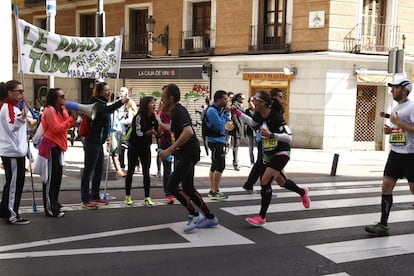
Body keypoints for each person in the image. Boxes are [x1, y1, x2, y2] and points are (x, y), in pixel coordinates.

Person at [232, 90, 311, 227]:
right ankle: (302, 191)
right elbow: (252, 122)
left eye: (255, 99)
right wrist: (237, 113)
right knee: (282, 183)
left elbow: (289, 136)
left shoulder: (276, 117)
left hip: (281, 152)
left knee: (265, 181)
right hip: (268, 153)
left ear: (262, 102)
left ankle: (261, 217)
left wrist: (272, 135)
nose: (252, 101)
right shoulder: (258, 114)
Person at [159, 83, 218, 233]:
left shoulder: (179, 111)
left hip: (188, 154)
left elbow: (188, 132)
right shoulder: (175, 111)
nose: (161, 100)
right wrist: (160, 125)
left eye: (163, 97)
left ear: (171, 98)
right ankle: (210, 217)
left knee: (172, 186)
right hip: (186, 153)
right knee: (188, 188)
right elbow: (176, 129)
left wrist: (168, 150)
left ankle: (195, 214)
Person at [365, 78, 414, 236]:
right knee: (386, 187)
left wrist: (398, 124)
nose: (392, 90)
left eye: (395, 88)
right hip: (395, 154)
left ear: (404, 90)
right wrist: (390, 131)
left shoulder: (412, 106)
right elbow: (401, 130)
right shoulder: (397, 107)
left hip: (411, 155)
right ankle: (383, 225)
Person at [80, 81, 128, 209]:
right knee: (89, 171)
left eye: (109, 90)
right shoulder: (96, 104)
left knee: (99, 170)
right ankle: (85, 199)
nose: (109, 92)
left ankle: (95, 196)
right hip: (92, 142)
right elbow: (107, 110)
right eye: (106, 90)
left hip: (98, 142)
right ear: (100, 92)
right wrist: (121, 101)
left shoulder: (101, 103)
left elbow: (108, 110)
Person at [39, 88, 77, 217]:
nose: (64, 98)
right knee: (50, 178)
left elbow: (68, 125)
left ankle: (55, 203)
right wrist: (71, 119)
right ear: (55, 98)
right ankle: (50, 208)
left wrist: (72, 117)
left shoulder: (62, 110)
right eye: (62, 96)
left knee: (57, 177)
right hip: (50, 145)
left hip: (59, 146)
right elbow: (56, 128)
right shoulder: (49, 110)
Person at [0, 80, 30, 224]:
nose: (22, 94)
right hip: (12, 152)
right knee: (15, 184)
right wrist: (23, 117)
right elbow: (13, 125)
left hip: (14, 151)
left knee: (12, 183)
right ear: (10, 93)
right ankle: (13, 215)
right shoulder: (9, 107)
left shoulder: (12, 107)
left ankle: (5, 210)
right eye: (19, 91)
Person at [124, 96, 158, 207]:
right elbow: (139, 133)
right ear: (145, 105)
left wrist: (158, 133)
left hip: (145, 147)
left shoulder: (154, 117)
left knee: (146, 172)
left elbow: (157, 130)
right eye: (152, 103)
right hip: (134, 147)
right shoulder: (138, 117)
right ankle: (128, 196)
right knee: (131, 171)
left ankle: (147, 197)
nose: (154, 105)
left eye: (154, 103)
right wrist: (149, 132)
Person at [206, 90, 230, 200]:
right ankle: (215, 191)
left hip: (218, 140)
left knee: (215, 165)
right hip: (215, 141)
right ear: (218, 100)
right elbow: (220, 126)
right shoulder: (212, 111)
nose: (227, 101)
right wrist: (226, 114)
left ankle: (213, 189)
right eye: (225, 99)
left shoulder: (217, 109)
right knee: (220, 165)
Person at [156, 92, 174, 204]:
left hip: (176, 143)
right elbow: (159, 130)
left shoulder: (176, 112)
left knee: (175, 168)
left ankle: (175, 188)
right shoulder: (161, 115)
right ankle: (168, 193)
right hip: (165, 143)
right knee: (167, 168)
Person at [229, 93, 245, 170]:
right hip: (236, 128)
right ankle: (235, 162)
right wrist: (238, 125)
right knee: (236, 145)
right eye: (242, 98)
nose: (243, 100)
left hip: (240, 127)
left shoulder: (240, 104)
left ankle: (236, 161)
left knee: (237, 145)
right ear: (238, 98)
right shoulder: (235, 104)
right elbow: (234, 116)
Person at [245, 96, 256, 167]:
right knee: (251, 148)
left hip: (258, 132)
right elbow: (245, 121)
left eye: (253, 101)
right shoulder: (247, 111)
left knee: (260, 148)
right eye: (250, 101)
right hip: (250, 132)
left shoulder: (258, 110)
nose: (251, 103)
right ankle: (252, 162)